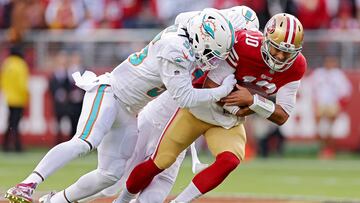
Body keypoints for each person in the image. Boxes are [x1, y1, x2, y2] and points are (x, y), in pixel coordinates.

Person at [5, 8, 236, 203]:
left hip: (129, 110)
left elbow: (188, 17)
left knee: (110, 175)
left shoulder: (187, 28)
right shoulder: (175, 48)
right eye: (210, 52)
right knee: (85, 142)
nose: (211, 59)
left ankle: (55, 201)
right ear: (199, 38)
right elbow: (185, 98)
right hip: (110, 93)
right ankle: (27, 184)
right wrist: (222, 91)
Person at [115, 13, 307, 203]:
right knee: (160, 162)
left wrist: (253, 101)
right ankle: (122, 200)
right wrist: (241, 106)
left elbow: (282, 115)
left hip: (227, 122)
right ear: (266, 40)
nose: (281, 56)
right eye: (276, 49)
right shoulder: (245, 45)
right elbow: (211, 86)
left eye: (288, 52)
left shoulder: (297, 66)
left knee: (230, 161)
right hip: (199, 110)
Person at [310, 55, 352, 158]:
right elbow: (312, 88)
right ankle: (323, 148)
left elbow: (346, 90)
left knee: (330, 129)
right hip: (321, 103)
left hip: (332, 103)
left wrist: (340, 103)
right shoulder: (318, 73)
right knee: (319, 129)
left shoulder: (338, 75)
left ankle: (329, 150)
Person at [1, 44, 29, 152]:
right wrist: (26, 96)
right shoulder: (21, 64)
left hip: (8, 98)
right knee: (15, 123)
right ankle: (17, 145)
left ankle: (6, 145)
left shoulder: (7, 64)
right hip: (18, 98)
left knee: (10, 123)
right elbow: (22, 84)